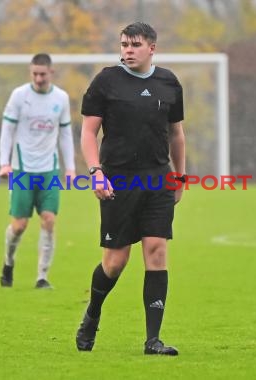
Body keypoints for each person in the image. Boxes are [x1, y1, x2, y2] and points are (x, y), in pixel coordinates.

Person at [76, 22, 186, 355]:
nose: (127, 49)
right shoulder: (105, 82)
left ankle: (153, 340)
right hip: (117, 179)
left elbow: (177, 135)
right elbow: (87, 134)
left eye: (134, 44)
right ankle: (92, 314)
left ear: (151, 48)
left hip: (157, 178)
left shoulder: (169, 83)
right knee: (116, 262)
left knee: (156, 249)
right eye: (123, 44)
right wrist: (96, 172)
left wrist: (180, 176)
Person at [0, 53, 75, 289]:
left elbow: (65, 134)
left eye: (42, 74)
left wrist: (70, 167)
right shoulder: (20, 96)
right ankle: (8, 262)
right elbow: (7, 130)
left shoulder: (61, 98)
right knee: (19, 225)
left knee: (49, 220)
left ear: (51, 72)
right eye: (34, 74)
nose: (38, 78)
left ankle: (42, 276)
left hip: (49, 170)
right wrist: (4, 163)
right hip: (22, 169)